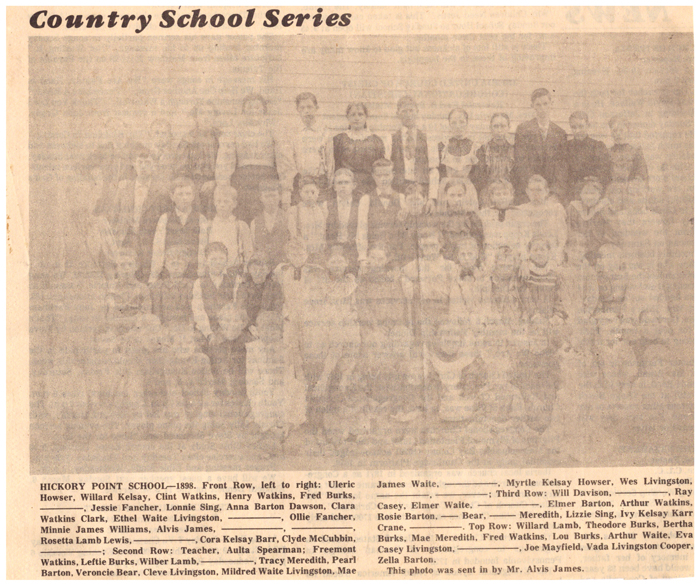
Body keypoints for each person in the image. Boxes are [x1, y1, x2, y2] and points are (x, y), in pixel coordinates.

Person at [216, 93, 282, 224]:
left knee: (267, 216)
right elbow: (226, 158)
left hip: (267, 178)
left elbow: (282, 158)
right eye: (249, 107)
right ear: (244, 110)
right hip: (243, 179)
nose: (253, 110)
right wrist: (223, 184)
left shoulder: (273, 130)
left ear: (264, 110)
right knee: (244, 216)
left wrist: (286, 186)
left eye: (257, 107)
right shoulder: (235, 131)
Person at [245, 311, 306, 440]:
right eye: (265, 332)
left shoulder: (286, 349)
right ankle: (269, 428)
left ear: (281, 333)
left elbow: (290, 374)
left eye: (273, 333)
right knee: (264, 390)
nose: (269, 337)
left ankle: (286, 426)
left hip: (282, 390)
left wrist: (289, 422)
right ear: (258, 332)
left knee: (294, 389)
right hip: (262, 391)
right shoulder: (253, 350)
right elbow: (252, 381)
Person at [617, 179, 669, 322]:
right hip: (629, 267)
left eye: (639, 194)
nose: (635, 198)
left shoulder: (654, 218)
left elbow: (661, 246)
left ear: (647, 194)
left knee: (651, 296)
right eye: (631, 194)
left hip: (650, 269)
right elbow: (618, 244)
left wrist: (658, 265)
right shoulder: (621, 217)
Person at [192, 242, 237, 398]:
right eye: (213, 259)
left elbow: (236, 308)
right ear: (206, 260)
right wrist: (209, 333)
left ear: (226, 261)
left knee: (223, 348)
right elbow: (198, 310)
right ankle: (202, 394)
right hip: (206, 329)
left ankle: (227, 394)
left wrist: (226, 332)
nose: (217, 262)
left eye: (221, 259)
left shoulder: (234, 280)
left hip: (228, 328)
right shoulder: (200, 282)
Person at [400, 226, 459, 339]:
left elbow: (456, 294)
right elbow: (401, 275)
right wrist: (410, 287)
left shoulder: (450, 266)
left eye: (433, 245)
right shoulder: (416, 265)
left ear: (441, 244)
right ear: (421, 246)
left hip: (446, 311)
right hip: (425, 312)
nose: (430, 249)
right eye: (425, 246)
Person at [426, 319, 487, 422]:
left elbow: (477, 389)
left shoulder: (469, 361)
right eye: (447, 341)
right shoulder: (432, 361)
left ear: (461, 342)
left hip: (465, 411)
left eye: (455, 341)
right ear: (439, 340)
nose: (451, 344)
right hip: (441, 411)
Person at [279, 92, 334, 207]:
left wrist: (329, 182)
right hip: (299, 182)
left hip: (320, 181)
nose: (306, 111)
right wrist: (287, 191)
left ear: (316, 108)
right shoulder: (292, 133)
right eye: (302, 108)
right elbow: (287, 163)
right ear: (297, 110)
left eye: (309, 107)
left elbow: (330, 160)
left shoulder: (325, 132)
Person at [513, 88, 568, 204]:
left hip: (551, 193)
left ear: (551, 104)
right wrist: (533, 191)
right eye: (538, 105)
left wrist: (554, 193)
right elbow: (521, 163)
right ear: (532, 106)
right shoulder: (523, 130)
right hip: (528, 191)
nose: (542, 108)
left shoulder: (560, 133)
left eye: (545, 104)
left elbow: (561, 167)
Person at [150, 177, 208, 283]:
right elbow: (158, 249)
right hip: (169, 274)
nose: (184, 198)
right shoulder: (165, 218)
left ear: (193, 196)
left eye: (188, 194)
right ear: (172, 196)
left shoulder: (201, 219)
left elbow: (203, 248)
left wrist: (201, 274)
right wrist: (154, 276)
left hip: (192, 274)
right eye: (180, 194)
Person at [162, 323, 216, 437]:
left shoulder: (203, 359)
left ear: (195, 344)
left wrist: (205, 412)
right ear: (172, 346)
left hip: (200, 406)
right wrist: (181, 416)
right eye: (179, 344)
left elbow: (208, 387)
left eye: (189, 343)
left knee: (201, 429)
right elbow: (174, 391)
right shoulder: (170, 362)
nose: (184, 347)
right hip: (181, 406)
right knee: (177, 431)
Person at [174, 100, 220, 219]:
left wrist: (216, 181)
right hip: (194, 184)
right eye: (202, 113)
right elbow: (181, 170)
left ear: (214, 116)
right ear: (196, 117)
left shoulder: (221, 137)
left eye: (210, 113)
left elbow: (228, 165)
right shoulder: (188, 139)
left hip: (218, 183)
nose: (206, 117)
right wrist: (192, 186)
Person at [357, 159, 403, 265]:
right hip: (374, 256)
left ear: (393, 175)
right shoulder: (366, 199)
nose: (383, 179)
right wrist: (363, 257)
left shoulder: (401, 198)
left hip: (396, 256)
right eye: (379, 175)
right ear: (373, 176)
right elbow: (362, 230)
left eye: (386, 175)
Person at [333, 102, 386, 195]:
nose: (356, 118)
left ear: (366, 117)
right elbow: (335, 166)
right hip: (346, 186)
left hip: (369, 187)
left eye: (360, 114)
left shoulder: (376, 141)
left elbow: (380, 167)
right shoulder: (339, 139)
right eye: (353, 115)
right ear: (347, 117)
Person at [429, 108, 479, 205]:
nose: (458, 126)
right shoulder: (442, 147)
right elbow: (436, 174)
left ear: (467, 123)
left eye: (461, 122)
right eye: (454, 123)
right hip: (446, 192)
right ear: (449, 125)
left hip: (467, 191)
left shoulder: (475, 147)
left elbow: (478, 176)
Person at [478, 179, 530, 270]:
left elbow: (524, 239)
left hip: (513, 253)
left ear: (511, 196)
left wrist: (524, 260)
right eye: (498, 194)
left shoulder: (520, 214)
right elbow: (481, 239)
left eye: (505, 194)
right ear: (492, 197)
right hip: (491, 254)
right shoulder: (484, 214)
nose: (502, 197)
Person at [566, 177, 620, 264]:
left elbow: (612, 235)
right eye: (586, 193)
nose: (589, 197)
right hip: (578, 248)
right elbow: (570, 230)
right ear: (580, 194)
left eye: (593, 193)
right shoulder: (574, 208)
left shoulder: (604, 209)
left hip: (599, 251)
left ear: (599, 195)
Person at [518, 174, 567, 266]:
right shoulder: (520, 210)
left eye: (539, 190)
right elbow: (519, 239)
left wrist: (556, 258)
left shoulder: (556, 209)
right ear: (527, 191)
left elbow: (562, 238)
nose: (535, 193)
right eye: (532, 190)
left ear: (547, 191)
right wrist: (524, 260)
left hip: (552, 257)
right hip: (527, 258)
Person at [565, 111, 612, 205]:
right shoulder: (565, 147)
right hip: (571, 194)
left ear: (588, 125)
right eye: (573, 127)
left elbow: (604, 173)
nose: (577, 130)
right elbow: (562, 174)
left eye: (581, 126)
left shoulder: (598, 146)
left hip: (593, 194)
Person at [435, 177, 484, 262]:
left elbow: (478, 242)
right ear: (446, 196)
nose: (456, 199)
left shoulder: (471, 217)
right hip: (447, 260)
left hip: (467, 260)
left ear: (465, 195)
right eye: (452, 195)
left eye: (459, 195)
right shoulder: (440, 218)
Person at [471, 113, 515, 206]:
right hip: (488, 195)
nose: (499, 130)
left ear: (508, 127)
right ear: (490, 128)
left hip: (507, 195)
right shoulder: (483, 150)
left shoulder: (514, 150)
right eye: (496, 126)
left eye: (503, 126)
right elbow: (478, 178)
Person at [208, 185, 253, 276]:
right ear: (214, 202)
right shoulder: (208, 225)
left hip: (235, 273)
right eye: (219, 201)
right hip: (213, 273)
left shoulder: (240, 225)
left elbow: (248, 253)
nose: (222, 205)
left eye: (226, 201)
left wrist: (245, 272)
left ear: (234, 204)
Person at [390, 96, 430, 197]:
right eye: (404, 111)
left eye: (411, 110)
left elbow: (433, 170)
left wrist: (432, 197)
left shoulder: (427, 138)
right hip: (398, 188)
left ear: (417, 112)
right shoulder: (391, 139)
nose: (408, 115)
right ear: (397, 114)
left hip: (421, 188)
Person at [105, 248, 151, 336]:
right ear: (116, 268)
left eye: (130, 264)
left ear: (136, 266)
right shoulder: (110, 287)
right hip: (114, 330)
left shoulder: (143, 288)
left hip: (136, 330)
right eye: (122, 265)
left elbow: (146, 314)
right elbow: (108, 313)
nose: (127, 268)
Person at [520, 236, 566, 323]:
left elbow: (559, 298)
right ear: (529, 252)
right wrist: (535, 316)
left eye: (542, 250)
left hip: (551, 319)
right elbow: (525, 298)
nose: (539, 253)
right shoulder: (526, 274)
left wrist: (557, 315)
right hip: (532, 319)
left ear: (549, 252)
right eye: (535, 250)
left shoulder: (554, 275)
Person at [149, 245, 195, 327]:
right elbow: (156, 313)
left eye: (179, 264)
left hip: (185, 328)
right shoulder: (158, 287)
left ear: (185, 266)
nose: (176, 268)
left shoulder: (191, 286)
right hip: (164, 328)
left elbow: (194, 312)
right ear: (166, 265)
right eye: (173, 264)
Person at [234, 253, 284, 327]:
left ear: (268, 270)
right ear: (249, 270)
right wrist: (250, 327)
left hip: (269, 326)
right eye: (254, 269)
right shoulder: (243, 286)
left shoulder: (275, 287)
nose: (258, 273)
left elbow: (277, 310)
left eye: (262, 269)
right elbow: (241, 310)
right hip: (248, 327)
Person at [559, 232, 599, 323]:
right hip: (566, 315)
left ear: (585, 251)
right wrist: (571, 315)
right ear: (566, 249)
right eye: (573, 251)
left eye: (579, 252)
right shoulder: (561, 271)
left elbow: (593, 294)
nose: (576, 255)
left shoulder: (589, 271)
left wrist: (587, 314)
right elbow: (562, 296)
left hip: (586, 315)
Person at [326, 168, 361, 273]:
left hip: (353, 249)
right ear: (334, 187)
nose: (343, 186)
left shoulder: (360, 205)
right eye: (339, 183)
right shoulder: (327, 205)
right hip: (333, 249)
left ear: (353, 185)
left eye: (346, 182)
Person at [250, 179, 290, 271]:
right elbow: (253, 248)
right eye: (267, 196)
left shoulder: (288, 218)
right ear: (261, 198)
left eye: (273, 196)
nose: (270, 200)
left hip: (284, 267)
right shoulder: (255, 222)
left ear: (280, 197)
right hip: (263, 268)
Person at [449, 236, 489, 324]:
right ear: (457, 256)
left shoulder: (483, 276)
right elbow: (454, 305)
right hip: (459, 320)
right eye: (463, 254)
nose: (466, 258)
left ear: (477, 255)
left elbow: (486, 305)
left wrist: (478, 319)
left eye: (470, 254)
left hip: (479, 321)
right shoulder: (453, 275)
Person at [288, 175, 328, 259]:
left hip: (319, 253)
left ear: (318, 192)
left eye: (313, 192)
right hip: (301, 254)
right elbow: (293, 236)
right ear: (300, 192)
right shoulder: (295, 211)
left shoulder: (322, 210)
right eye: (306, 192)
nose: (310, 195)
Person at [485, 245, 523, 326]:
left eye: (509, 266)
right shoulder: (490, 281)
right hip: (495, 323)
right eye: (501, 266)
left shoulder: (518, 281)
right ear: (496, 264)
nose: (505, 270)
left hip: (515, 322)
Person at [608, 115, 649, 186]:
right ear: (611, 132)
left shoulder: (636, 152)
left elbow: (642, 174)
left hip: (631, 192)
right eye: (615, 130)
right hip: (612, 192)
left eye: (621, 130)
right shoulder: (607, 152)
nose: (618, 133)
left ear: (627, 131)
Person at [595, 243, 628, 317]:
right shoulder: (597, 279)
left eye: (615, 258)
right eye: (608, 258)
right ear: (600, 261)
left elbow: (628, 302)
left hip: (620, 315)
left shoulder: (624, 280)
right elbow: (595, 301)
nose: (612, 262)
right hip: (602, 315)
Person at [148, 118, 177, 193]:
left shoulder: (177, 156)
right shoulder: (144, 155)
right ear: (150, 135)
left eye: (164, 133)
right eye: (156, 133)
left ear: (170, 135)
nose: (160, 136)